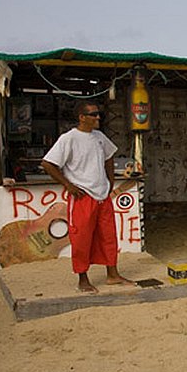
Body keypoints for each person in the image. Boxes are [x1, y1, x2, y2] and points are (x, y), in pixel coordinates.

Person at [41, 102, 131, 293]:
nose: (98, 118)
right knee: (81, 238)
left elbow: (109, 156)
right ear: (82, 117)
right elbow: (48, 163)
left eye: (99, 114)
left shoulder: (99, 137)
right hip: (83, 196)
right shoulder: (69, 139)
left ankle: (112, 274)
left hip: (102, 195)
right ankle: (83, 278)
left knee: (108, 235)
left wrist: (110, 180)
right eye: (94, 114)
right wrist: (68, 185)